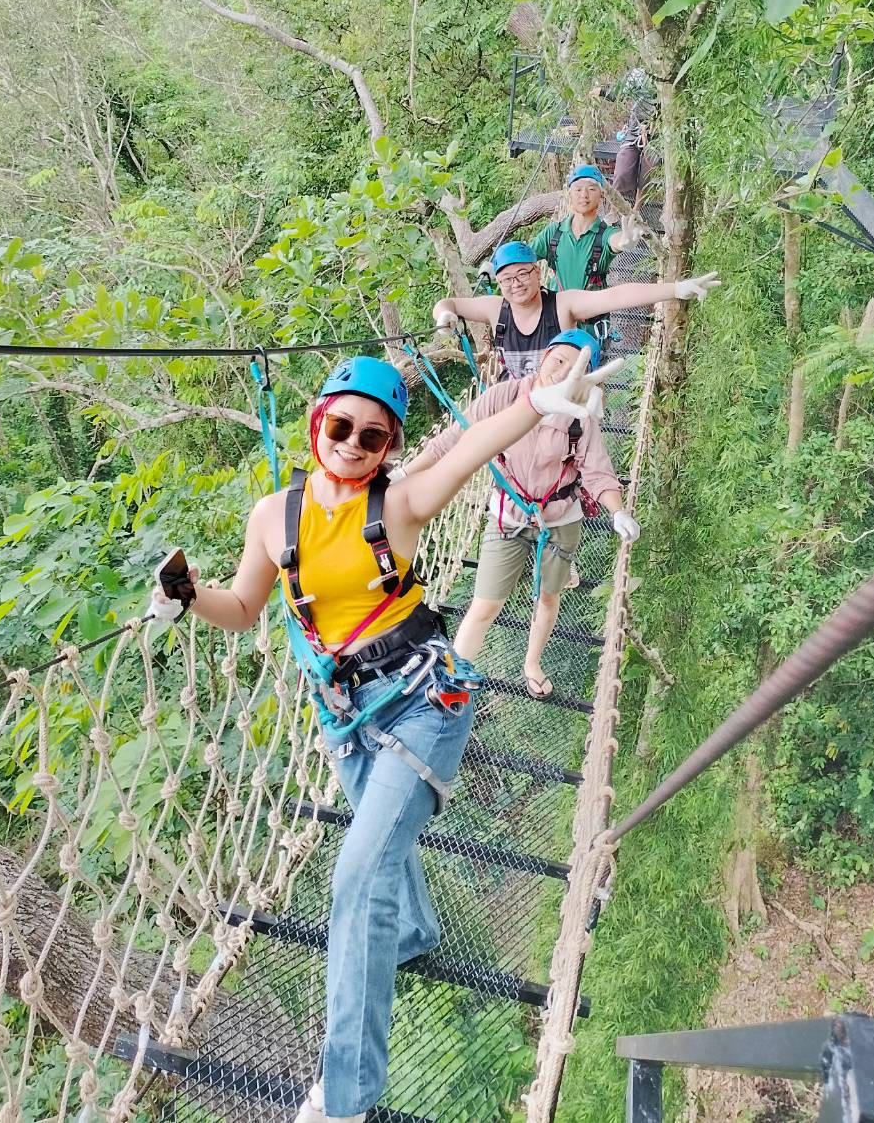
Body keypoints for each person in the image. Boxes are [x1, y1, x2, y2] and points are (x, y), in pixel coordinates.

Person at [144, 349, 620, 1123]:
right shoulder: (273, 516)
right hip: (345, 719)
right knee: (380, 852)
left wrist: (541, 398)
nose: (353, 445)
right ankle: (416, 932)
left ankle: (346, 1099)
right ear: (316, 424)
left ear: (390, 447)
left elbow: (472, 446)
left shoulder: (398, 503)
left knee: (359, 875)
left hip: (424, 702)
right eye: (341, 426)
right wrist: (189, 595)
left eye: (373, 436)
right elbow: (242, 607)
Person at [403, 330, 639, 698]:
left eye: (575, 368)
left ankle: (532, 662)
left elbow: (597, 471)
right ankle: (452, 683)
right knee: (485, 605)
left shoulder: (580, 416)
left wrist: (617, 511)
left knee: (547, 597)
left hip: (558, 519)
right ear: (543, 356)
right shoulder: (506, 396)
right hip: (509, 516)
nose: (562, 372)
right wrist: (404, 475)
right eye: (558, 360)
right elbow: (453, 439)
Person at [434, 242, 720, 379]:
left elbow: (616, 295)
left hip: (562, 406)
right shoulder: (496, 309)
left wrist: (675, 289)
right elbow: (449, 304)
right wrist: (444, 317)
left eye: (522, 274)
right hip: (519, 407)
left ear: (537, 272)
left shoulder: (563, 304)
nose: (516, 284)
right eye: (507, 279)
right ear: (498, 283)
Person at [530, 162, 643, 294]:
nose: (584, 195)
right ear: (570, 195)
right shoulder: (554, 233)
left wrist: (624, 241)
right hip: (558, 311)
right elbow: (524, 257)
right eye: (578, 189)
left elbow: (614, 240)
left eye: (591, 189)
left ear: (601, 196)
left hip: (592, 313)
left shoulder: (604, 234)